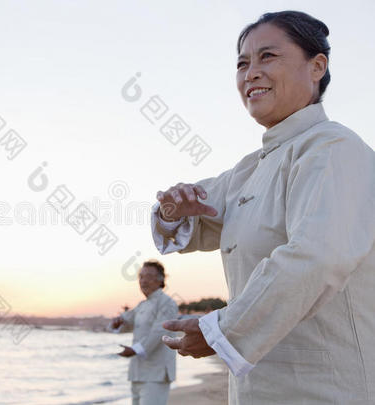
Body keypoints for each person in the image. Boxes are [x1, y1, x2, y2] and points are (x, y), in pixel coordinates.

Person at [150, 10, 375, 405]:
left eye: (267, 57)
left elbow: (317, 256)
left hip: (329, 389)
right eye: (242, 63)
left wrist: (222, 328)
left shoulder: (333, 149)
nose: (250, 73)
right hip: (260, 390)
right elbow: (191, 214)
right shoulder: (250, 169)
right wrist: (172, 210)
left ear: (317, 66)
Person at [110, 260, 179, 405]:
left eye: (148, 276)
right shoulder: (142, 305)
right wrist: (117, 323)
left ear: (160, 280)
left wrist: (134, 350)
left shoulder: (167, 303)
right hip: (137, 373)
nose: (143, 280)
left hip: (156, 373)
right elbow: (126, 324)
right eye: (141, 276)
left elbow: (159, 332)